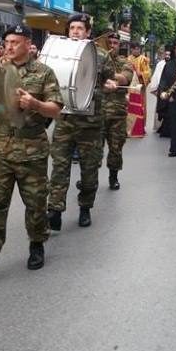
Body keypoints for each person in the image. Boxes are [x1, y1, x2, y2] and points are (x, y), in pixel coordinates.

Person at [0, 24, 63, 283]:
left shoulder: (43, 72)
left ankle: (36, 244)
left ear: (29, 44)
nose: (8, 47)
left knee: (35, 204)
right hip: (1, 149)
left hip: (32, 150)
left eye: (15, 42)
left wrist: (36, 104)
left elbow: (55, 109)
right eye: (7, 41)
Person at [47, 14, 115, 230]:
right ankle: (55, 209)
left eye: (80, 28)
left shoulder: (101, 56)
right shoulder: (58, 53)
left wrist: (112, 84)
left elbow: (111, 79)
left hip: (91, 123)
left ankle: (85, 207)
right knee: (59, 167)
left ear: (87, 32)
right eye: (72, 28)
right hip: (65, 121)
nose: (75, 31)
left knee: (89, 170)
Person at [101, 32, 134, 189]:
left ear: (119, 45)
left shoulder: (124, 62)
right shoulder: (96, 60)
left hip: (117, 113)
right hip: (98, 112)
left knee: (116, 147)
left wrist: (106, 73)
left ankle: (113, 177)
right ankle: (90, 178)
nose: (112, 46)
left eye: (115, 43)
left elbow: (125, 78)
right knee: (93, 150)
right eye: (110, 42)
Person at [127, 42, 151, 137]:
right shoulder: (128, 59)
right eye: (134, 49)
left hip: (140, 87)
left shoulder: (143, 59)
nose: (136, 51)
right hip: (130, 88)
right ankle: (129, 127)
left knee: (141, 107)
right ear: (131, 49)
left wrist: (141, 74)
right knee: (130, 107)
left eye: (138, 49)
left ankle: (140, 128)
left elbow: (148, 73)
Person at [149, 47, 172, 135]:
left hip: (170, 91)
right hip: (160, 90)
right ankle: (159, 127)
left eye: (169, 55)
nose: (167, 56)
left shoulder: (173, 64)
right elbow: (156, 76)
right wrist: (155, 89)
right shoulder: (160, 64)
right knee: (160, 109)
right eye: (166, 54)